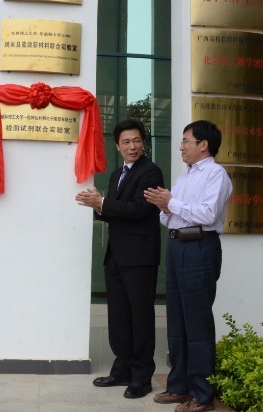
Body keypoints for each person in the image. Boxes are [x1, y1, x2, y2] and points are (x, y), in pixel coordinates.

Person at [144, 120, 232, 412]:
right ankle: (179, 386)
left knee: (197, 321)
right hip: (177, 246)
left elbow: (207, 215)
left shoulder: (216, 174)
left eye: (186, 141)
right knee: (177, 320)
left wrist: (171, 203)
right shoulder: (184, 177)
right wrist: (164, 207)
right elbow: (170, 218)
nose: (181, 147)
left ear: (203, 145)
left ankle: (202, 395)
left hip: (199, 248)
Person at [76, 119, 164, 399]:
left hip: (140, 257)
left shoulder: (151, 172)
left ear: (143, 142)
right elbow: (116, 212)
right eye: (126, 142)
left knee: (140, 317)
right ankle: (122, 369)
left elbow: (139, 210)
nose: (132, 146)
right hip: (116, 256)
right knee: (119, 317)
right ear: (117, 146)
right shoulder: (116, 175)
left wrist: (103, 203)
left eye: (136, 140)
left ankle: (142, 376)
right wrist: (98, 205)